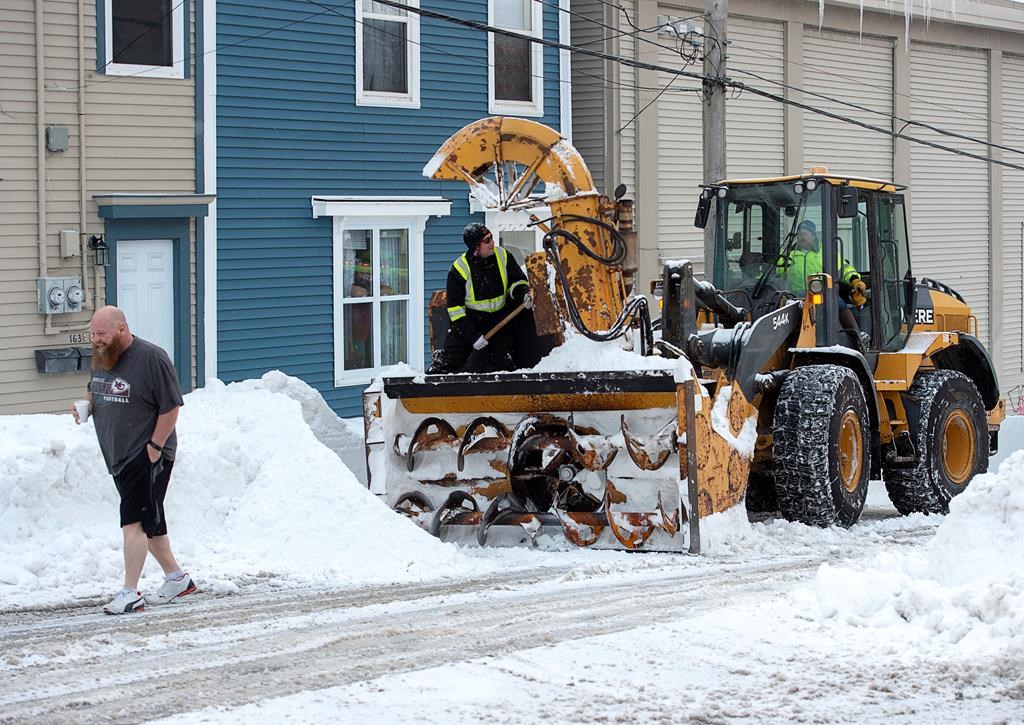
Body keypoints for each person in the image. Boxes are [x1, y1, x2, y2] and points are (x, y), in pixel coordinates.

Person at [72, 306, 196, 614]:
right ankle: (177, 578)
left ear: (122, 329)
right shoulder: (103, 354)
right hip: (118, 454)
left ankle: (130, 592)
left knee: (134, 522)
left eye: (101, 334)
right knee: (149, 520)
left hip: (146, 453)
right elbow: (95, 387)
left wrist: (154, 447)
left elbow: (171, 407)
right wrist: (86, 405)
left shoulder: (152, 358)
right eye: (93, 333)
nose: (95, 339)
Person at [428, 223, 536, 373]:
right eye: (487, 241)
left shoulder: (503, 256)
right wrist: (473, 336)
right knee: (451, 361)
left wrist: (523, 293)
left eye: (491, 238)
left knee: (504, 363)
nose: (492, 243)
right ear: (476, 247)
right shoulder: (459, 269)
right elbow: (455, 310)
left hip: (500, 319)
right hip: (470, 321)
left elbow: (517, 281)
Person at [777, 219, 868, 336]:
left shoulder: (826, 252)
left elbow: (843, 268)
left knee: (839, 304)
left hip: (822, 295)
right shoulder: (789, 254)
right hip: (794, 296)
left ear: (813, 236)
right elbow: (777, 273)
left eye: (805, 234)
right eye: (799, 234)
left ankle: (857, 335)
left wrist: (854, 279)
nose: (802, 237)